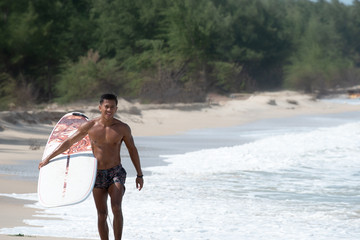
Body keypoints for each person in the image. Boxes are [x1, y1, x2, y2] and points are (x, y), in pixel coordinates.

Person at [38, 93, 144, 240]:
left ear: (116, 109)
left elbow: (132, 149)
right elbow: (69, 142)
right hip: (96, 174)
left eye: (112, 107)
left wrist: (139, 174)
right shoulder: (90, 126)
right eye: (106, 107)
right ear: (100, 107)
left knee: (116, 207)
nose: (109, 110)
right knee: (102, 214)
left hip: (115, 172)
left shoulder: (122, 128)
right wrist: (48, 158)